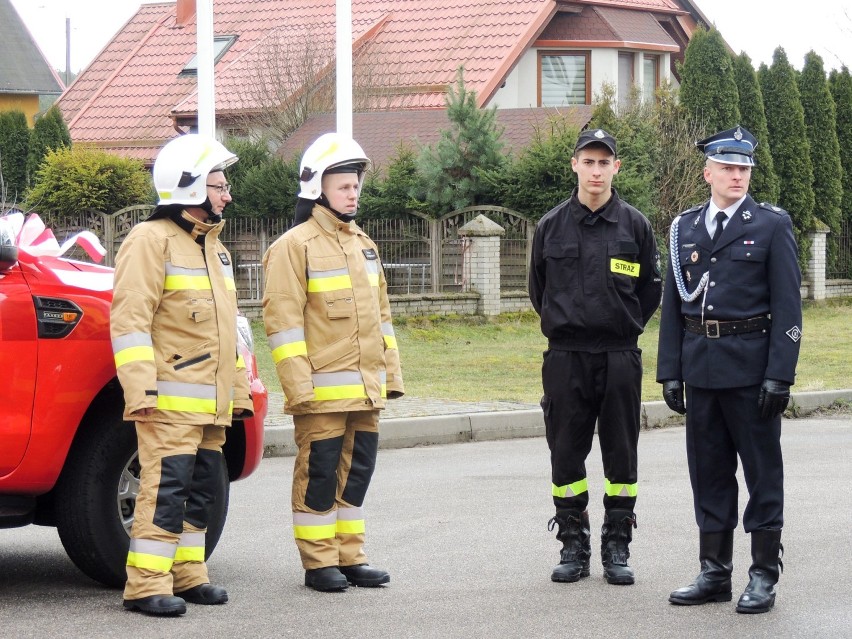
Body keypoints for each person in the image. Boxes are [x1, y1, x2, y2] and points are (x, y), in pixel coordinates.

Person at [657, 126, 802, 614]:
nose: (737, 176)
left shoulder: (771, 225)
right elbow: (674, 306)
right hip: (701, 369)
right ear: (708, 173)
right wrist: (670, 371)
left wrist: (780, 374)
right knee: (709, 472)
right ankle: (714, 572)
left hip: (751, 368)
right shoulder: (686, 228)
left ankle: (763, 574)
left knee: (762, 473)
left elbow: (788, 308)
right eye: (728, 168)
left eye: (744, 168)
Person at [111, 133, 254, 616]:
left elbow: (227, 332)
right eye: (218, 185)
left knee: (201, 490)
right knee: (165, 488)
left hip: (209, 402)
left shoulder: (216, 248)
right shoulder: (149, 241)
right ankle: (147, 585)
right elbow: (129, 322)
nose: (226, 195)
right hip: (169, 401)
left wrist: (237, 394)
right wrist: (140, 391)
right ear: (190, 189)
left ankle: (189, 574)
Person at [262, 132, 404, 592]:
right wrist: (299, 388)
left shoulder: (363, 244)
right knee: (319, 474)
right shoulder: (293, 246)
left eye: (356, 186)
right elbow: (282, 324)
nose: (353, 194)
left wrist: (390, 378)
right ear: (316, 188)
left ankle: (350, 556)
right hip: (320, 391)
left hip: (363, 389)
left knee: (357, 472)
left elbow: (382, 319)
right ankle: (318, 562)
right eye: (344, 186)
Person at [529, 128, 662, 586]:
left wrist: (624, 324)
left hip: (620, 355)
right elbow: (537, 290)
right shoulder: (549, 227)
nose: (596, 170)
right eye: (589, 161)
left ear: (615, 168)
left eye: (605, 162)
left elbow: (651, 289)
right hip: (566, 357)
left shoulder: (636, 226)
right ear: (575, 165)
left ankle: (617, 543)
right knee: (566, 452)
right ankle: (573, 543)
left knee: (621, 454)